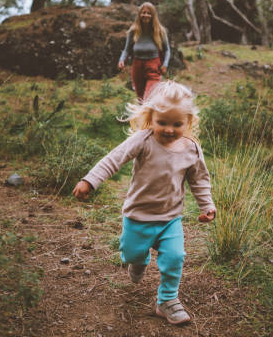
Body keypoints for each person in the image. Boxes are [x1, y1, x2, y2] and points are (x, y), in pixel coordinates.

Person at [72, 81, 216, 325]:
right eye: (162, 122)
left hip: (170, 219)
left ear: (188, 122)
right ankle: (139, 261)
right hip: (137, 217)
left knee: (175, 257)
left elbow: (200, 180)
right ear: (151, 118)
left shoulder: (191, 149)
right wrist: (90, 181)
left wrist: (207, 206)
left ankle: (167, 301)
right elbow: (113, 160)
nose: (169, 129)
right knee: (131, 252)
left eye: (177, 124)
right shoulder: (143, 140)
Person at [118, 2, 171, 101]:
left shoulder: (160, 31)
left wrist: (165, 65)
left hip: (153, 67)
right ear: (139, 14)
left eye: (149, 13)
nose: (146, 15)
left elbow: (167, 50)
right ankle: (147, 116)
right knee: (141, 100)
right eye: (143, 12)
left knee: (148, 98)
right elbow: (126, 50)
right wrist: (122, 60)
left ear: (153, 15)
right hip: (137, 68)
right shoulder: (133, 31)